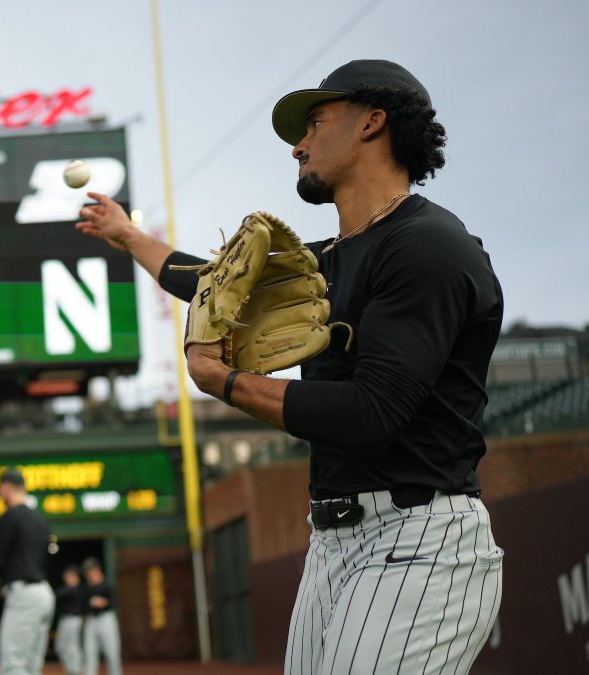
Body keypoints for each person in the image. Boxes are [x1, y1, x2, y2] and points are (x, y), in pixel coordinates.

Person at [76, 59, 504, 674]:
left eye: (314, 123)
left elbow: (372, 413)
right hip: (334, 542)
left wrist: (224, 382)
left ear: (372, 123)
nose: (298, 146)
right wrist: (129, 236)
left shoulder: (428, 247)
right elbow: (209, 281)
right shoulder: (329, 258)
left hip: (418, 538)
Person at [0, 467, 55, 675]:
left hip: (23, 594)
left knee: (13, 665)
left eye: (0, 488)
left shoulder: (10, 516)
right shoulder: (40, 520)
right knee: (32, 666)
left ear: (7, 487)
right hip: (44, 594)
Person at [81, 557, 122, 675]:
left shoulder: (107, 585)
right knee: (89, 652)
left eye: (91, 570)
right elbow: (82, 606)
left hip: (106, 619)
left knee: (112, 652)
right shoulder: (86, 588)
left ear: (97, 569)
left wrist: (104, 602)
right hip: (91, 620)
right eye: (87, 571)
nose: (89, 574)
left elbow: (114, 602)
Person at [53, 565, 85, 675]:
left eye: (71, 575)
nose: (67, 577)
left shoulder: (77, 589)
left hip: (74, 620)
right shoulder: (67, 589)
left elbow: (58, 593)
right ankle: (72, 670)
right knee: (60, 647)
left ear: (77, 577)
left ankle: (76, 670)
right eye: (67, 575)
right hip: (64, 620)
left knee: (73, 646)